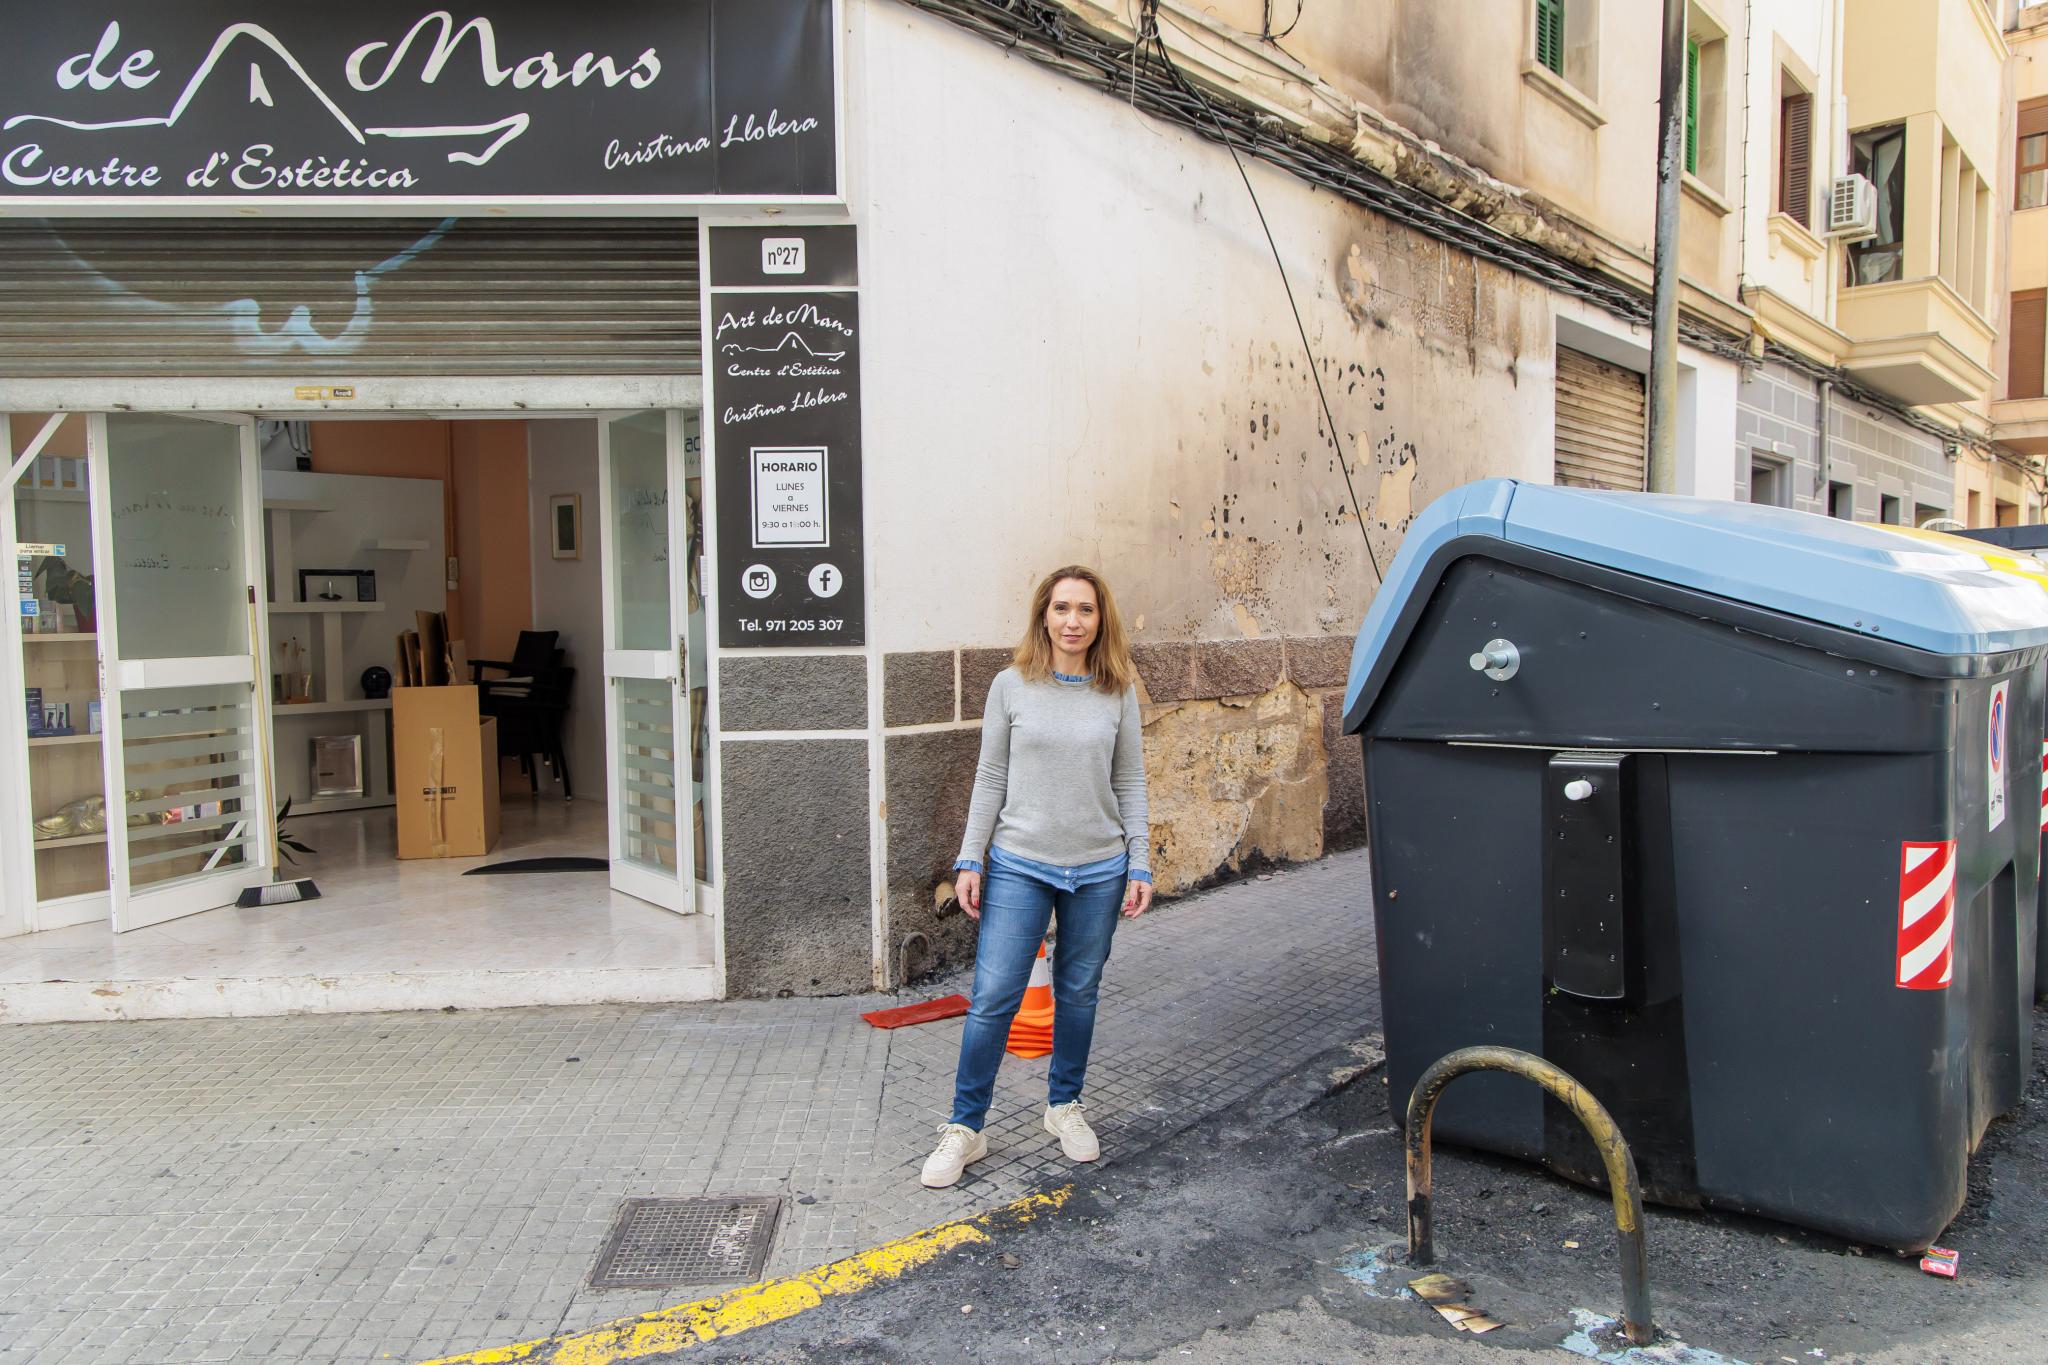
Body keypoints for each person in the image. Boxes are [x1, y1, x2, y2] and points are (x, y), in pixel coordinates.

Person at [921, 564, 1153, 1189]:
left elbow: (1130, 781)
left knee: (1078, 993)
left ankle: (1064, 1105)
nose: (1073, 621)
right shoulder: (1011, 685)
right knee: (994, 996)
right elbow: (990, 777)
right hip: (1020, 863)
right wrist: (970, 858)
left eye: (1085, 609)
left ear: (1100, 620)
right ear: (1043, 617)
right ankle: (966, 1126)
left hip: (1099, 868)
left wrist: (1139, 860)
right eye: (1062, 609)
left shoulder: (1118, 690)